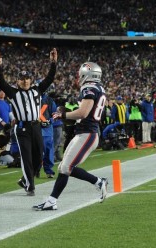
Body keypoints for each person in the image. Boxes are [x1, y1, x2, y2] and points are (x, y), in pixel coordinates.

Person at [33, 61, 108, 211]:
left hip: (88, 133)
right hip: (84, 132)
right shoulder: (98, 87)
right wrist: (65, 113)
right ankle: (52, 201)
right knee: (63, 167)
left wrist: (63, 114)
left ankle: (99, 182)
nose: (78, 77)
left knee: (66, 167)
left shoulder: (90, 88)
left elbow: (83, 113)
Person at [0, 48, 58, 196]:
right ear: (17, 81)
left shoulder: (37, 90)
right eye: (22, 79)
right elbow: (1, 82)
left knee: (39, 156)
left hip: (36, 127)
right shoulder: (13, 93)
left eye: (27, 79)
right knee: (26, 158)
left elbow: (49, 78)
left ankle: (25, 179)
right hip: (22, 128)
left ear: (30, 80)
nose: (24, 81)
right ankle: (30, 186)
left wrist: (53, 62)